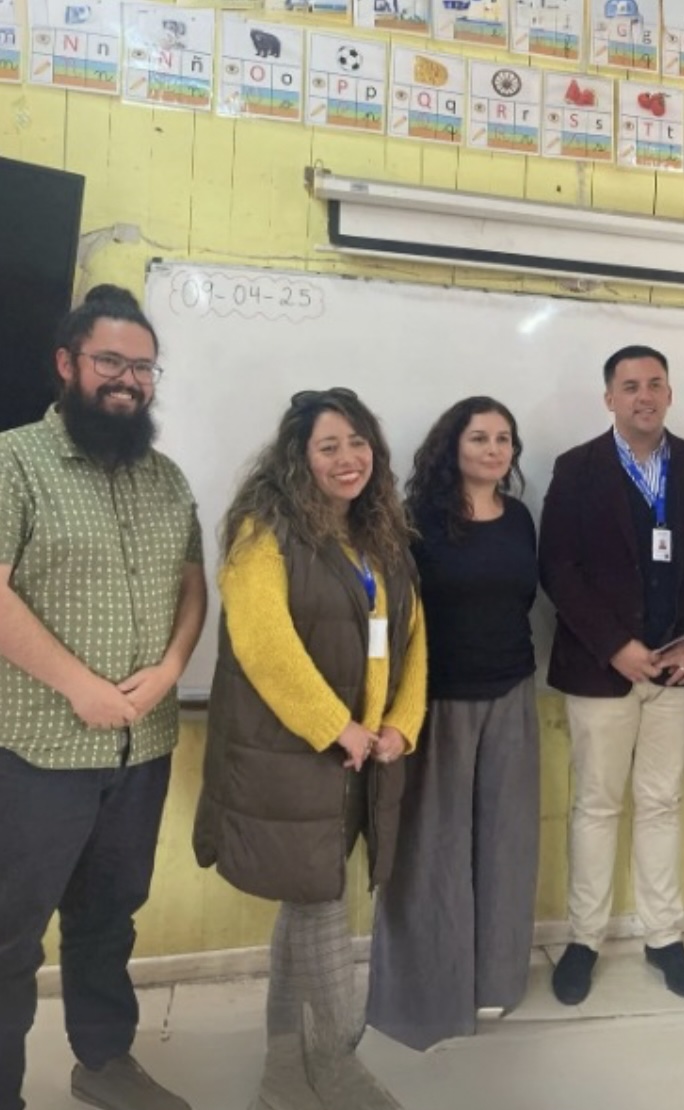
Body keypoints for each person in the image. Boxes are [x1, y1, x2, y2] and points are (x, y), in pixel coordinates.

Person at [0, 286, 206, 1110]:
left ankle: (104, 1061)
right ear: (67, 364)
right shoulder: (13, 460)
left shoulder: (167, 477)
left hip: (142, 747)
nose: (129, 379)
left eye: (143, 366)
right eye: (111, 361)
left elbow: (194, 589)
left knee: (110, 916)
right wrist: (76, 685)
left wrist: (171, 669)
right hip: (38, 752)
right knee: (10, 936)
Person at [193, 388, 427, 1110]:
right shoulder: (262, 531)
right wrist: (338, 726)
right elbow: (264, 647)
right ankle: (340, 1064)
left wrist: (401, 724)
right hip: (290, 758)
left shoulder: (380, 535)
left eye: (358, 443)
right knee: (322, 904)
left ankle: (283, 1073)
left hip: (358, 761)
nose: (347, 459)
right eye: (329, 446)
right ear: (298, 457)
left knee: (303, 905)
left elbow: (415, 639)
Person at [539, 344, 684, 1005]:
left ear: (670, 394)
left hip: (679, 671)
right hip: (603, 671)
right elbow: (558, 568)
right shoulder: (577, 468)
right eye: (630, 386)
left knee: (661, 803)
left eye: (655, 384)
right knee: (595, 805)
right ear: (610, 399)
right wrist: (614, 645)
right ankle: (584, 940)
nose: (644, 395)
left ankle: (663, 937)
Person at [368, 397, 540, 1051]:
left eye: (504, 438)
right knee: (431, 850)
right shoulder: (416, 522)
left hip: (512, 694)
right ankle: (426, 989)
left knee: (506, 843)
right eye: (479, 437)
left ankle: (495, 981)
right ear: (452, 447)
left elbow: (524, 599)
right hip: (435, 703)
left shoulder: (521, 519)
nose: (494, 449)